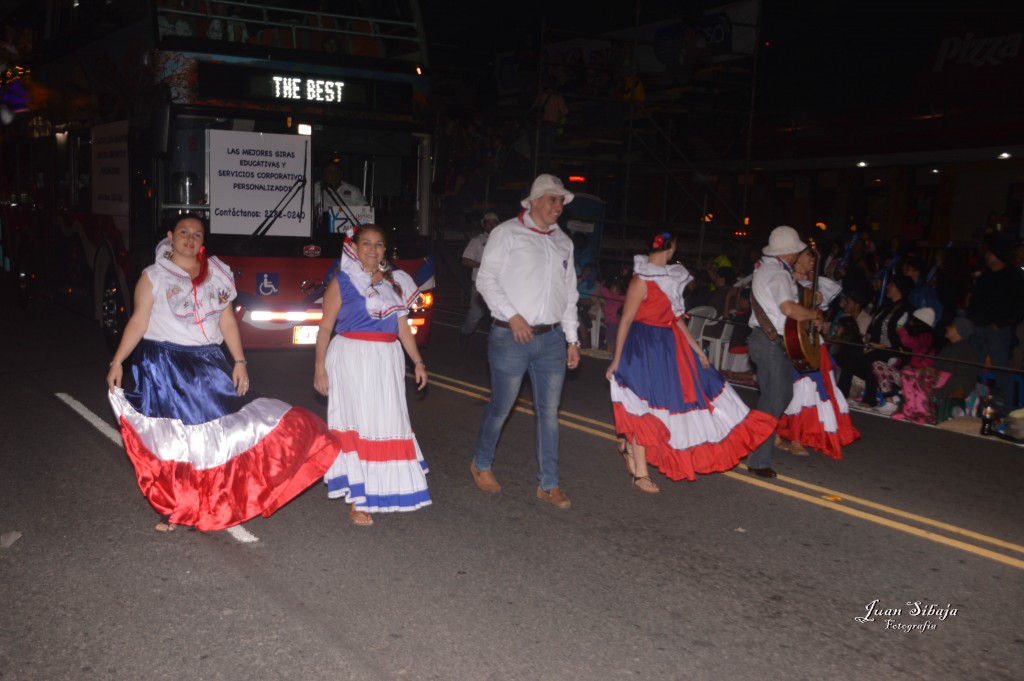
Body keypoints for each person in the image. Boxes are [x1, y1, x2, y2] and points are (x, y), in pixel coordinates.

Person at [105, 214, 341, 532]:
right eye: (184, 232)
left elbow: (227, 320)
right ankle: (175, 508)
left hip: (207, 363)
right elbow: (139, 321)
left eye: (197, 234)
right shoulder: (153, 276)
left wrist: (240, 361)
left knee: (222, 432)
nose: (190, 239)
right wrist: (118, 361)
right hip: (163, 365)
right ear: (170, 237)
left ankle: (211, 499)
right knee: (175, 441)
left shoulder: (216, 274)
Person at [606, 231, 774, 492]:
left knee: (668, 402)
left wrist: (697, 349)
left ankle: (630, 447)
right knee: (642, 405)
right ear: (670, 247)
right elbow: (626, 320)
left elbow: (675, 319)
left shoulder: (671, 277)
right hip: (642, 348)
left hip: (668, 347)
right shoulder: (642, 279)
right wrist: (616, 360)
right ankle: (640, 473)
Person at [469, 174, 582, 509]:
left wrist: (572, 339)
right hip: (511, 336)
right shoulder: (507, 233)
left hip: (552, 339)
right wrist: (512, 315)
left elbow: (570, 294)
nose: (558, 206)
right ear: (534, 201)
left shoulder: (563, 242)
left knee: (549, 414)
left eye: (561, 201)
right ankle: (481, 464)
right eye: (552, 200)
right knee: (501, 407)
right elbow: (486, 280)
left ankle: (549, 484)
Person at [313, 224, 430, 526]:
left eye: (378, 244)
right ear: (355, 247)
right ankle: (359, 499)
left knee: (386, 422)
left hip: (387, 359)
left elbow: (403, 327)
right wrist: (319, 368)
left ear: (384, 250)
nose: (372, 249)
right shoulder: (342, 281)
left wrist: (417, 362)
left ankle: (382, 488)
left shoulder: (396, 282)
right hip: (351, 358)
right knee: (358, 424)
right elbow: (325, 327)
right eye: (366, 243)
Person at [745, 226, 825, 478]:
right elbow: (788, 308)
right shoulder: (778, 274)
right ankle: (756, 457)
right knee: (775, 399)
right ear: (790, 252)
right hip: (770, 342)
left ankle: (752, 447)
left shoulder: (768, 270)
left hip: (766, 341)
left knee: (774, 398)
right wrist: (813, 315)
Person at [775, 250, 860, 459]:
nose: (812, 260)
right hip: (790, 341)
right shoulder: (784, 282)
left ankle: (797, 436)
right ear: (796, 260)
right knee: (792, 389)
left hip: (811, 342)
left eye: (813, 257)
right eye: (808, 256)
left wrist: (819, 320)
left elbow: (819, 317)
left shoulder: (816, 287)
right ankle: (786, 435)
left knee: (811, 389)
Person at [966, 236, 1024, 415]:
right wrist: (972, 317)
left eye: (990, 253)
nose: (987, 256)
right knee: (973, 365)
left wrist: (1001, 323)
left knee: (1001, 368)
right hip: (978, 327)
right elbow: (975, 299)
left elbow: (1019, 305)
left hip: (998, 330)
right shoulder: (986, 275)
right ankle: (972, 403)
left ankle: (1006, 408)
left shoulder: (1012, 276)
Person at [460, 212, 499, 341]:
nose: (491, 225)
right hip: (480, 283)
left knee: (500, 313)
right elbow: (465, 260)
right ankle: (465, 333)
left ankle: (495, 341)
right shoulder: (477, 241)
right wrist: (483, 265)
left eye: (494, 222)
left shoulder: (502, 240)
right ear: (483, 225)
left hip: (499, 284)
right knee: (476, 312)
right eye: (488, 222)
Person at [313, 160, 368, 230]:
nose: (334, 174)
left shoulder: (352, 189)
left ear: (341, 174)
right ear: (323, 174)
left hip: (350, 230)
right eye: (330, 172)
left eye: (337, 172)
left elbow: (365, 209)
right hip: (324, 229)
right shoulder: (315, 188)